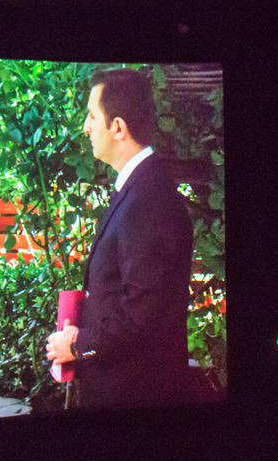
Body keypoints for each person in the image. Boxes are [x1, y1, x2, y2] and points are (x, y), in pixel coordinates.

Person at [45, 69, 193, 409]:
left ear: (118, 128)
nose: (85, 127)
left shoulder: (148, 200)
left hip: (136, 395)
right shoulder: (139, 188)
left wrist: (79, 344)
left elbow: (141, 312)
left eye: (92, 116)